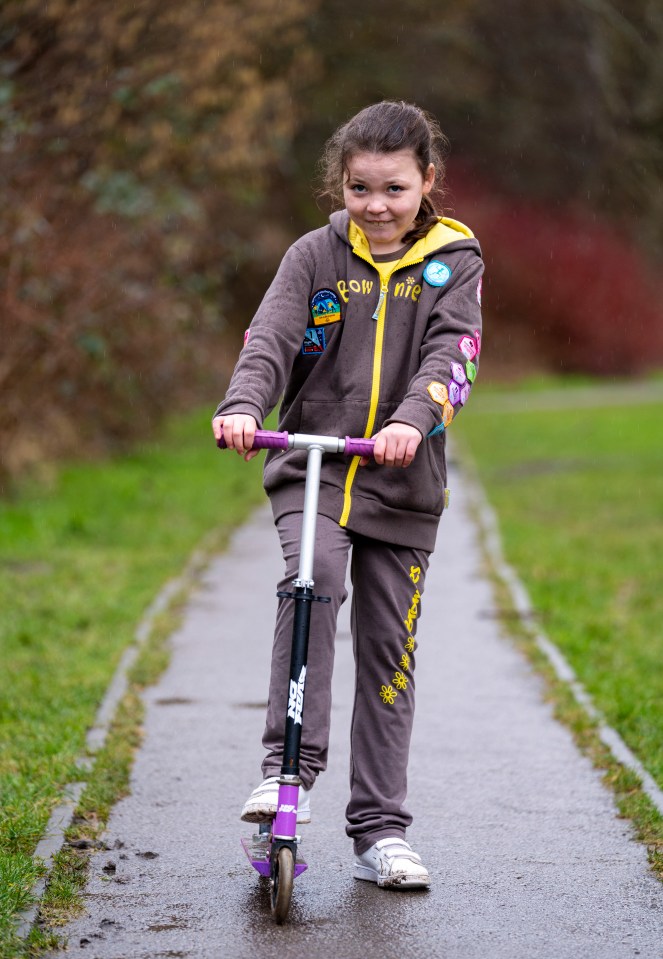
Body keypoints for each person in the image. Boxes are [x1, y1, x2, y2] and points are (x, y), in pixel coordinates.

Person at [212, 100, 483, 889]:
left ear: (426, 181)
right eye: (360, 187)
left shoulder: (453, 260)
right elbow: (270, 335)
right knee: (313, 579)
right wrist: (241, 404)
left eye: (393, 188)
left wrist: (411, 420)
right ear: (341, 183)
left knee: (387, 650)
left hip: (402, 476)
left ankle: (379, 830)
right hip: (316, 467)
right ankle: (286, 773)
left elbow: (452, 353)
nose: (375, 205)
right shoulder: (313, 256)